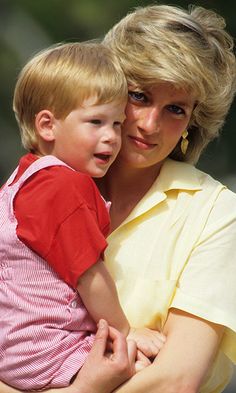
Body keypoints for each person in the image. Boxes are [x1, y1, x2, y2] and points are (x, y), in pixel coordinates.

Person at [1, 3, 236, 393]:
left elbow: (175, 381)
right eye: (139, 96)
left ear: (191, 124)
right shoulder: (43, 185)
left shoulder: (217, 213)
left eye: (175, 109)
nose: (148, 124)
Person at [0, 41, 165, 391]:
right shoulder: (63, 186)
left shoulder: (20, 181)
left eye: (118, 123)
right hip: (47, 352)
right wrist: (124, 329)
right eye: (97, 122)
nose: (112, 137)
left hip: (14, 350)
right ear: (47, 125)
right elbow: (89, 273)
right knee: (148, 367)